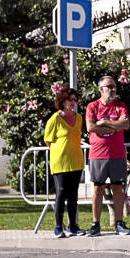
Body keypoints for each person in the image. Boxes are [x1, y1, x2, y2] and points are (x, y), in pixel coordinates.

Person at [85, 74, 130, 236]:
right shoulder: (92, 106)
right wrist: (114, 127)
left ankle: (119, 223)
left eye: (114, 87)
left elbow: (125, 124)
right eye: (109, 87)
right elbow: (91, 127)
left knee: (117, 188)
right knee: (98, 188)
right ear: (100, 89)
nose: (113, 90)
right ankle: (95, 224)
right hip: (98, 154)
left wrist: (104, 123)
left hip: (117, 154)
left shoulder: (120, 106)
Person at [44, 87, 85, 238]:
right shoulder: (55, 119)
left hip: (76, 161)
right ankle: (58, 226)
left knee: (73, 195)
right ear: (62, 101)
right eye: (70, 100)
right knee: (61, 192)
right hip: (60, 162)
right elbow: (48, 140)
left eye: (75, 100)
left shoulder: (79, 117)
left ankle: (73, 226)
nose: (73, 103)